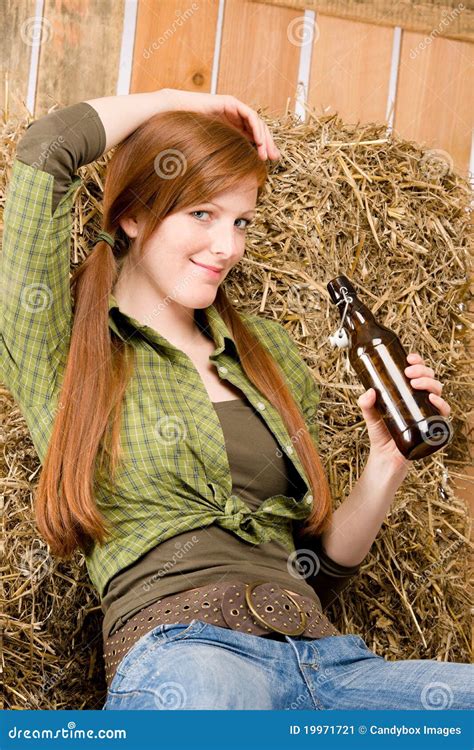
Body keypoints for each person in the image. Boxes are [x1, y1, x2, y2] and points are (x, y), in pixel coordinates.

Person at [1, 88, 472, 711]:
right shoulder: (67, 352)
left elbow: (320, 570)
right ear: (133, 213)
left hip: (327, 662)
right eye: (201, 214)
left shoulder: (266, 355)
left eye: (240, 221)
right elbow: (47, 149)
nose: (227, 247)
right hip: (187, 658)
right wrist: (184, 100)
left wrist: (386, 461)